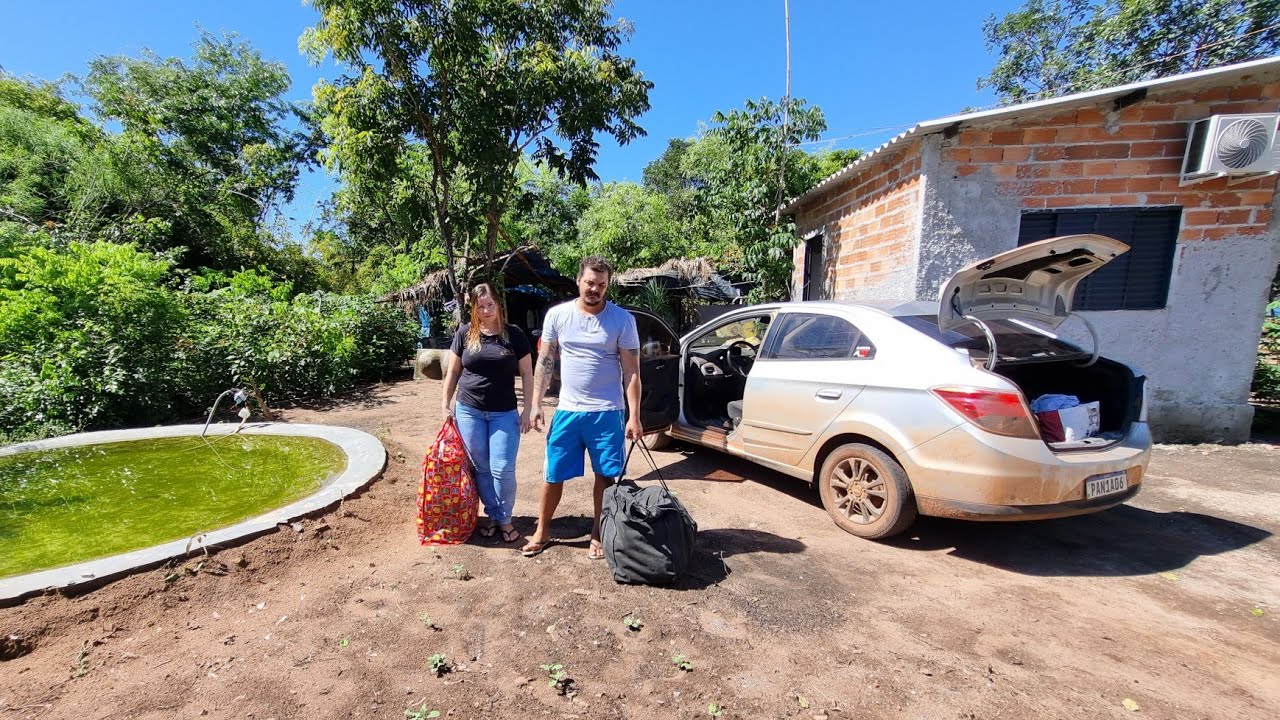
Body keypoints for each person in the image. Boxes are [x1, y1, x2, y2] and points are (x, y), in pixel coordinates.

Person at [521, 256, 642, 559]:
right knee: (553, 473)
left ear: (607, 286)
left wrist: (634, 416)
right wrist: (535, 404)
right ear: (578, 281)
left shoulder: (623, 320)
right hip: (568, 411)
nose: (594, 289)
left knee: (605, 476)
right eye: (590, 282)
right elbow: (545, 362)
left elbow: (632, 371)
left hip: (607, 412)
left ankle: (598, 533)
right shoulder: (558, 315)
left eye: (601, 285)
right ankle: (542, 530)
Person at [440, 283, 534, 544]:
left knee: (502, 468)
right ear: (474, 308)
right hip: (469, 409)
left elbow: (527, 373)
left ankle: (505, 518)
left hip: (504, 412)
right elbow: (453, 373)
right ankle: (492, 515)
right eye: (480, 306)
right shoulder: (464, 334)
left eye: (490, 304)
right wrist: (445, 405)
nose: (486, 310)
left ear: (498, 304)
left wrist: (529, 408)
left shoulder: (514, 335)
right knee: (481, 467)